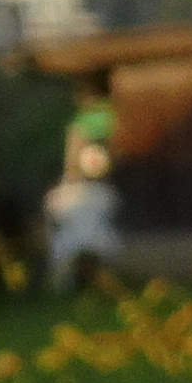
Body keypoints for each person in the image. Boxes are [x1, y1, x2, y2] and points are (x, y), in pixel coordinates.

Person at [42, 119, 121, 288]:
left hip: (72, 242)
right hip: (99, 241)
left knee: (61, 255)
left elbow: (52, 220)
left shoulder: (63, 195)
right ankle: (102, 283)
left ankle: (64, 285)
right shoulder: (105, 194)